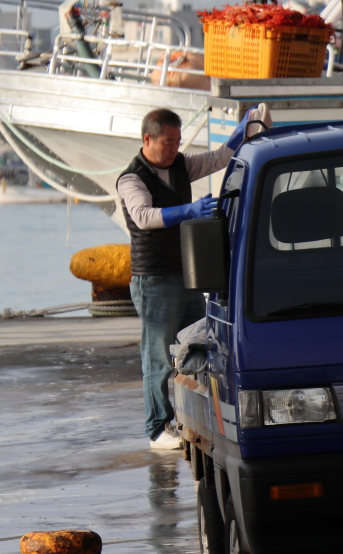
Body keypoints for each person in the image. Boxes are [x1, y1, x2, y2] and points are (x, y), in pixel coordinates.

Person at [118, 105, 269, 451]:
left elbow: (218, 159)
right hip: (153, 279)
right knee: (157, 355)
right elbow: (144, 216)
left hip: (185, 275)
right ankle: (157, 428)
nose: (174, 148)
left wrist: (243, 131)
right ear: (148, 140)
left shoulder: (181, 165)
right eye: (168, 142)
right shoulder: (132, 178)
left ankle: (201, 413)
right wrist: (187, 211)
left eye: (178, 141)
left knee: (199, 345)